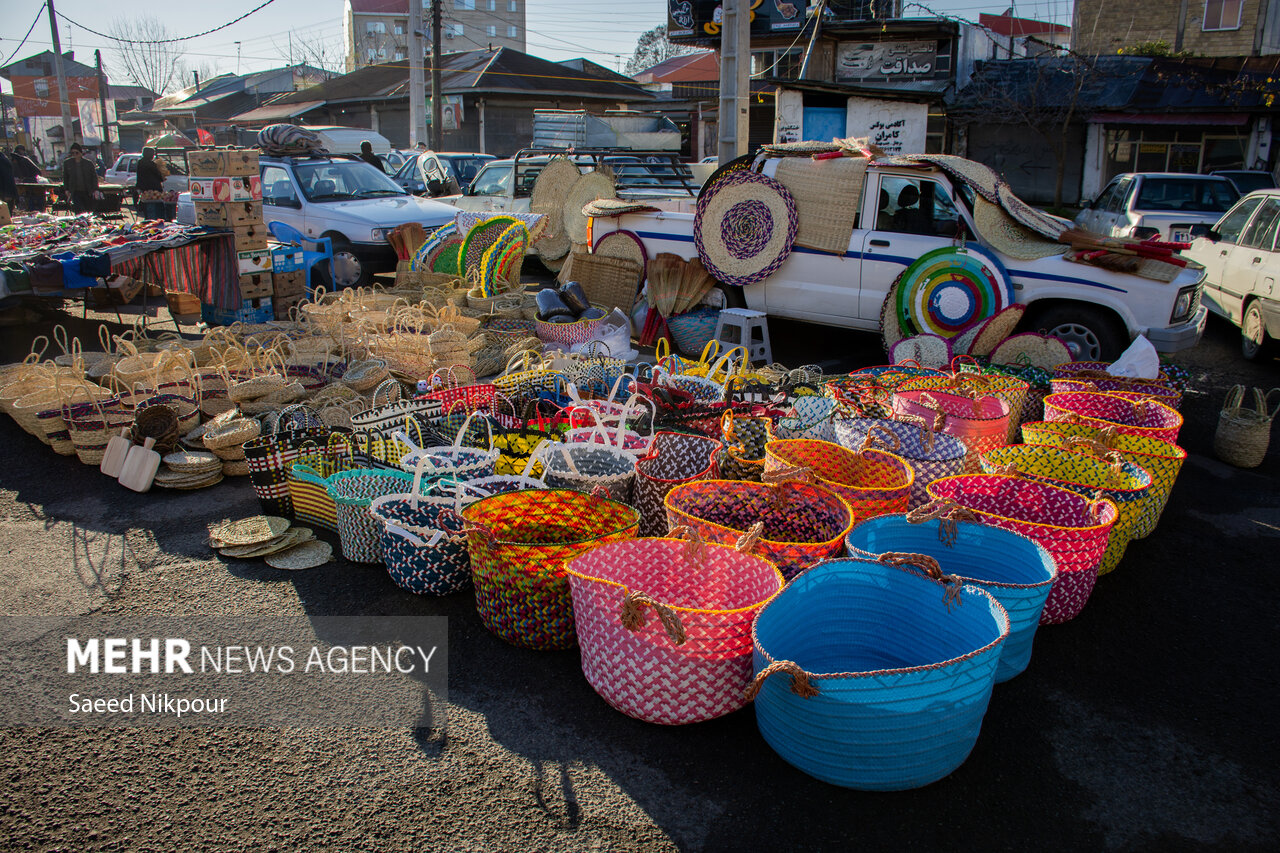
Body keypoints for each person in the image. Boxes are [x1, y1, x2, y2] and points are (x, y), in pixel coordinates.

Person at [62, 143, 100, 213]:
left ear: (81, 153)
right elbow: (65, 177)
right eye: (72, 153)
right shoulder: (67, 163)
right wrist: (66, 189)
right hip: (75, 191)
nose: (75, 154)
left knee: (88, 210)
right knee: (78, 210)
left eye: (76, 153)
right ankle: (79, 222)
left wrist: (96, 189)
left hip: (87, 190)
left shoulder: (88, 163)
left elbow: (94, 177)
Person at [135, 147, 167, 220]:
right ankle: (154, 219)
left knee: (146, 204)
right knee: (154, 204)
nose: (153, 156)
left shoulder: (140, 162)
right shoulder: (150, 163)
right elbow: (157, 174)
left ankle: (148, 217)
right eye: (152, 154)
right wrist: (162, 178)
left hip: (144, 187)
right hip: (153, 187)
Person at [9, 145, 42, 211]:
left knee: (30, 196)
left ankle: (31, 209)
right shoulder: (22, 159)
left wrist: (22, 179)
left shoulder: (23, 161)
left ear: (15, 160)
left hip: (30, 180)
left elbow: (26, 173)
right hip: (30, 179)